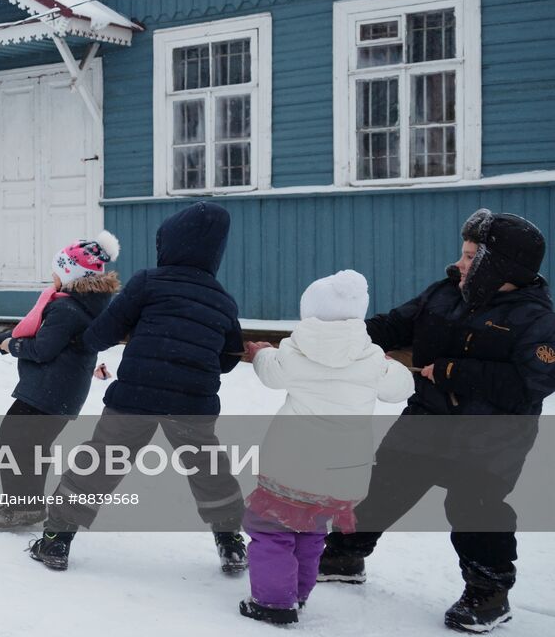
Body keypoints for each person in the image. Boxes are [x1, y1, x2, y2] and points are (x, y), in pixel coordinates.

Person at [316, 210, 553, 633]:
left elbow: (531, 383)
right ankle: (344, 555)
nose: (460, 264)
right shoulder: (445, 293)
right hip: (428, 417)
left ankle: (489, 592)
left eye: (469, 257)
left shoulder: (536, 319)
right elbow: (392, 325)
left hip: (492, 437)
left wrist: (451, 372)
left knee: (473, 508)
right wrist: (340, 338)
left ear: (497, 266)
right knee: (383, 485)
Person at [28, 201, 247, 574]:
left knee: (101, 460)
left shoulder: (148, 282)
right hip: (193, 401)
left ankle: (57, 539)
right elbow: (228, 357)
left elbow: (103, 333)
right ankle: (230, 542)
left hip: (136, 395)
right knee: (209, 468)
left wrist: (88, 336)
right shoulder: (223, 300)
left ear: (170, 245)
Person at [236, 270, 414, 626]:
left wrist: (260, 354)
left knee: (272, 529)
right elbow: (400, 388)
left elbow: (272, 374)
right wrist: (394, 368)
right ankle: (297, 592)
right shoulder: (371, 358)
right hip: (341, 474)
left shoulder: (295, 349)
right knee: (311, 530)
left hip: (291, 465)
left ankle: (273, 602)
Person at [0, 234, 121, 529]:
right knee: (30, 444)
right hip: (61, 391)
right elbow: (40, 333)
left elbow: (41, 348)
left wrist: (9, 347)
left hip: (48, 390)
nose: (52, 274)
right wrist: (0, 339)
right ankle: (27, 505)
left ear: (71, 274)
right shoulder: (84, 304)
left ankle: (23, 508)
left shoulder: (66, 309)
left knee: (15, 441)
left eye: (57, 269)